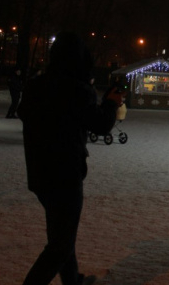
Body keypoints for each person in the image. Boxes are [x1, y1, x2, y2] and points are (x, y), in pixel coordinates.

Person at [18, 32, 121, 285]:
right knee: (60, 246)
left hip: (40, 173)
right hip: (65, 174)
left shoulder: (37, 85)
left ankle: (73, 280)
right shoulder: (76, 89)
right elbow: (100, 125)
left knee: (62, 237)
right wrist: (110, 103)